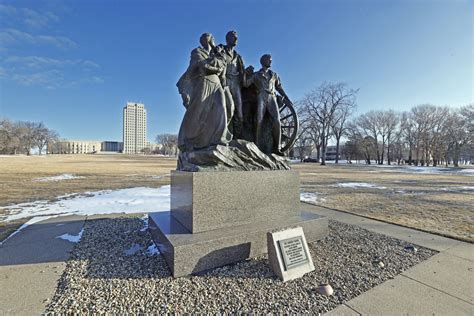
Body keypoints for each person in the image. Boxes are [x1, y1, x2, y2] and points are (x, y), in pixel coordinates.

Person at [177, 45, 232, 152]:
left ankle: (219, 138)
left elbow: (221, 73)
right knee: (197, 110)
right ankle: (187, 139)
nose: (221, 50)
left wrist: (217, 68)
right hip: (205, 82)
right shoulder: (199, 52)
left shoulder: (221, 59)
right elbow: (203, 66)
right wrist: (216, 68)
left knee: (222, 108)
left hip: (217, 84)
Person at [244, 54, 292, 155]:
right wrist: (245, 73)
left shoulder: (274, 75)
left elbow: (279, 87)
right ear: (263, 61)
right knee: (259, 121)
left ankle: (277, 148)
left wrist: (286, 97)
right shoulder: (256, 75)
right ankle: (257, 146)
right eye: (269, 60)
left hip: (272, 97)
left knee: (277, 121)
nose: (271, 61)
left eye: (271, 60)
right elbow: (245, 84)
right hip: (261, 97)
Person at [176, 33, 215, 108]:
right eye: (212, 39)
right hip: (194, 80)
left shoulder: (214, 54)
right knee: (196, 105)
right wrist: (218, 69)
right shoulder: (197, 51)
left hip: (210, 82)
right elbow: (203, 65)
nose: (214, 41)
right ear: (208, 40)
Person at [218, 30, 245, 136]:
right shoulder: (222, 49)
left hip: (236, 84)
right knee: (226, 109)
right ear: (227, 39)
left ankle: (236, 139)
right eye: (234, 37)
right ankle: (223, 134)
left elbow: (242, 73)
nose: (236, 39)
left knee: (240, 113)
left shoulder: (238, 57)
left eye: (237, 37)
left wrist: (247, 72)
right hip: (224, 82)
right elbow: (214, 55)